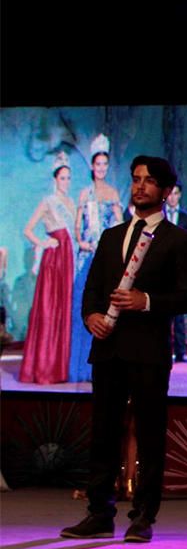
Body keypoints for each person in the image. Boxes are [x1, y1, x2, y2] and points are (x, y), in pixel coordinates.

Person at [60, 155, 187, 544]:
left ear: (166, 191)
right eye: (136, 179)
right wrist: (90, 316)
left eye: (149, 181)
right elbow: (91, 289)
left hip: (149, 351)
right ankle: (99, 512)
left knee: (150, 433)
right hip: (108, 348)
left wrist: (147, 301)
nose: (140, 186)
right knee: (102, 431)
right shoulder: (110, 235)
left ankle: (143, 517)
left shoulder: (180, 239)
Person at [69, 134, 124, 383]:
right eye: (97, 164)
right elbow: (78, 225)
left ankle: (103, 366)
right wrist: (81, 240)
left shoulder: (112, 192)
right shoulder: (84, 193)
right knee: (85, 306)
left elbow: (120, 223)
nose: (101, 168)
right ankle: (79, 368)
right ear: (92, 166)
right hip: (86, 255)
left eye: (105, 164)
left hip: (106, 255)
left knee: (105, 306)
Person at [19, 155, 76, 384]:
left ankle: (61, 367)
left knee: (65, 308)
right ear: (55, 179)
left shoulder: (71, 202)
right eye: (62, 178)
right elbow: (28, 229)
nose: (66, 182)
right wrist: (43, 243)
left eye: (69, 178)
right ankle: (44, 367)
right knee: (50, 309)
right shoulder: (48, 201)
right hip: (54, 261)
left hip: (69, 257)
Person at [164, 182, 187, 362]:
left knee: (179, 312)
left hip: (180, 269)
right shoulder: (159, 215)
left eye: (176, 194)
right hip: (162, 269)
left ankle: (181, 351)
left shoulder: (186, 218)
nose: (172, 197)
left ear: (180, 195)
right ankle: (164, 348)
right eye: (170, 194)